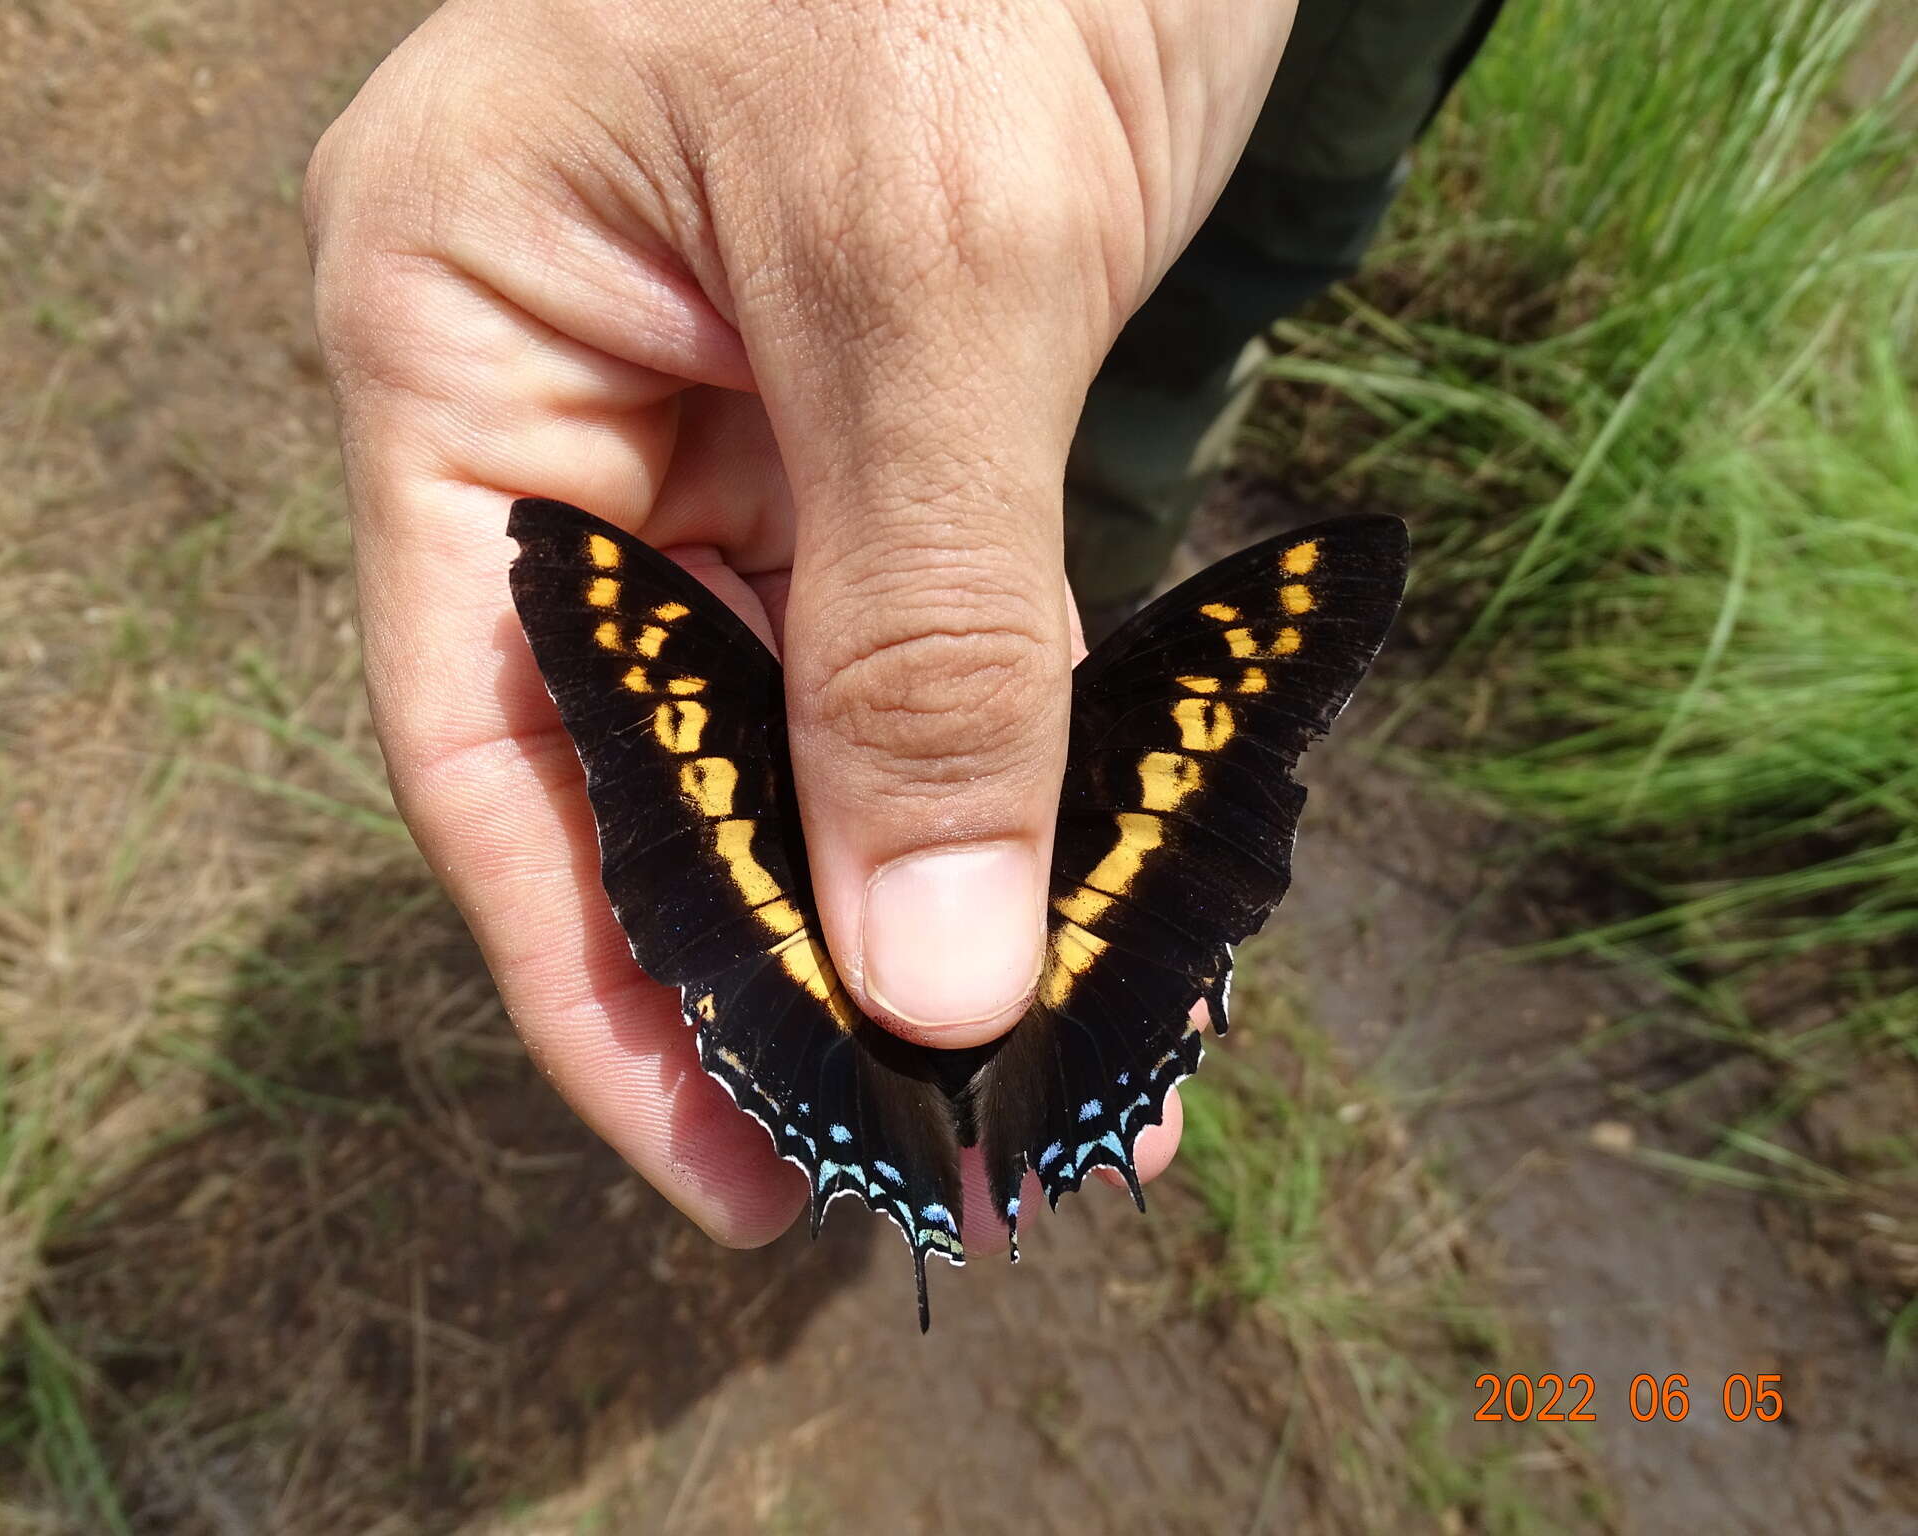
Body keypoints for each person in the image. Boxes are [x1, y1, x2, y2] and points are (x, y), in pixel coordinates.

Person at [304, 0, 1501, 1257]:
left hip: (878, 958)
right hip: (981, 952)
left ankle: (933, 1108)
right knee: (1239, 275)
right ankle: (958, 1103)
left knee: (1235, 265)